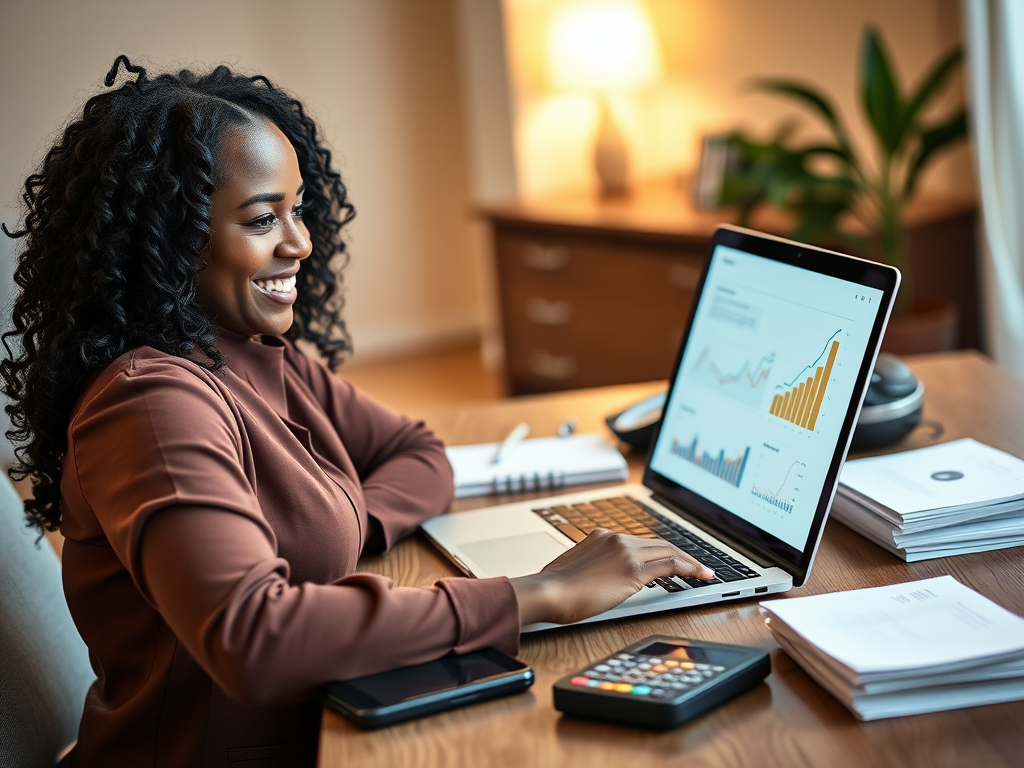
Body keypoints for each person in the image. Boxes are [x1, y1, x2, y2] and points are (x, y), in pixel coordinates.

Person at [1, 57, 713, 767]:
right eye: (261, 219)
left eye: (298, 209)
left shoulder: (254, 354)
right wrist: (540, 592)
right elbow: (256, 637)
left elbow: (419, 452)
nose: (300, 242)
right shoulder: (149, 405)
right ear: (169, 242)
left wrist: (342, 521)